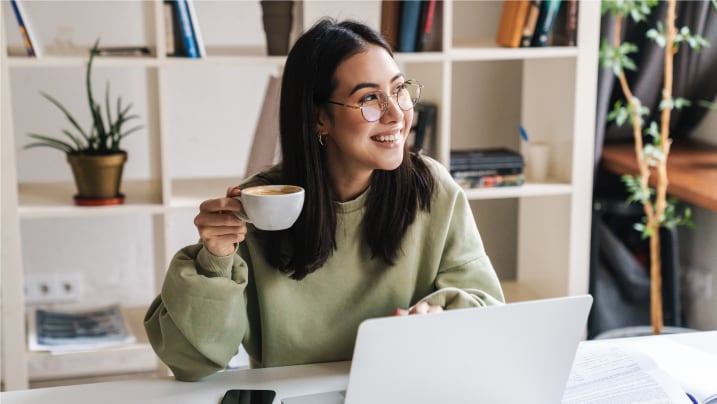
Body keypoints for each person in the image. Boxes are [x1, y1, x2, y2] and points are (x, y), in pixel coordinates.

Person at [144, 18, 505, 382]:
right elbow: (191, 363)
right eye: (369, 99)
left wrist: (438, 317)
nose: (396, 114)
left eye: (399, 90)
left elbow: (489, 312)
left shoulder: (432, 190)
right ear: (320, 119)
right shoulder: (258, 206)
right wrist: (216, 260)